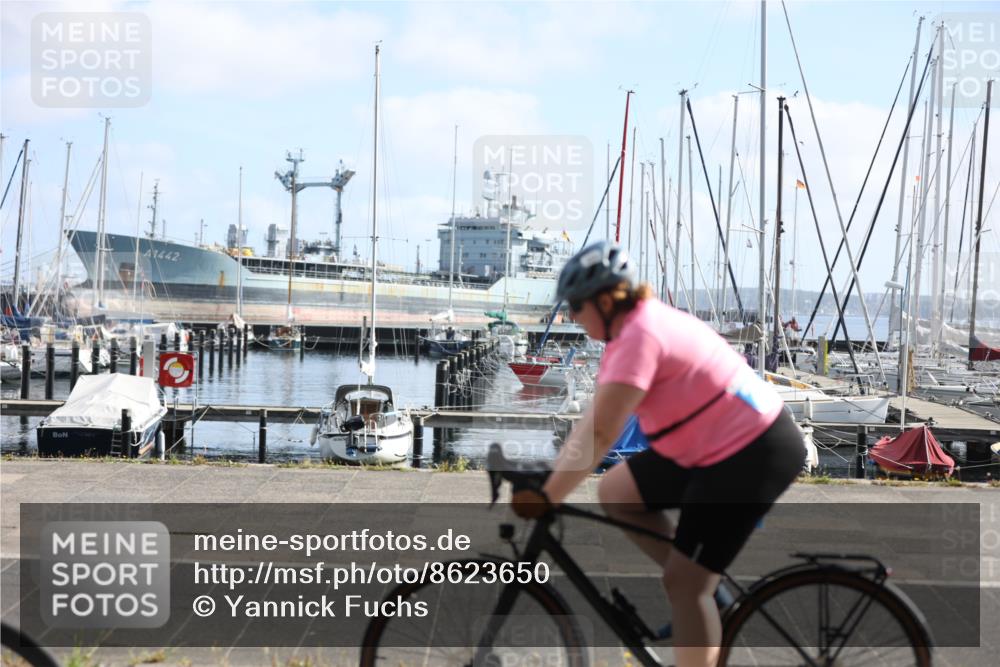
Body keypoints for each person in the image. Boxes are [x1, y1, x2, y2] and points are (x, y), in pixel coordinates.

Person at [512, 241, 805, 667]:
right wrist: (553, 476)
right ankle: (711, 597)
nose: (572, 315)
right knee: (616, 492)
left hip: (750, 450)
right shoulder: (634, 330)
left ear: (606, 300)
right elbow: (592, 423)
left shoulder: (639, 336)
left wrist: (549, 495)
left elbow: (599, 433)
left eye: (576, 305)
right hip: (712, 444)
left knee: (685, 584)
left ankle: (699, 594)